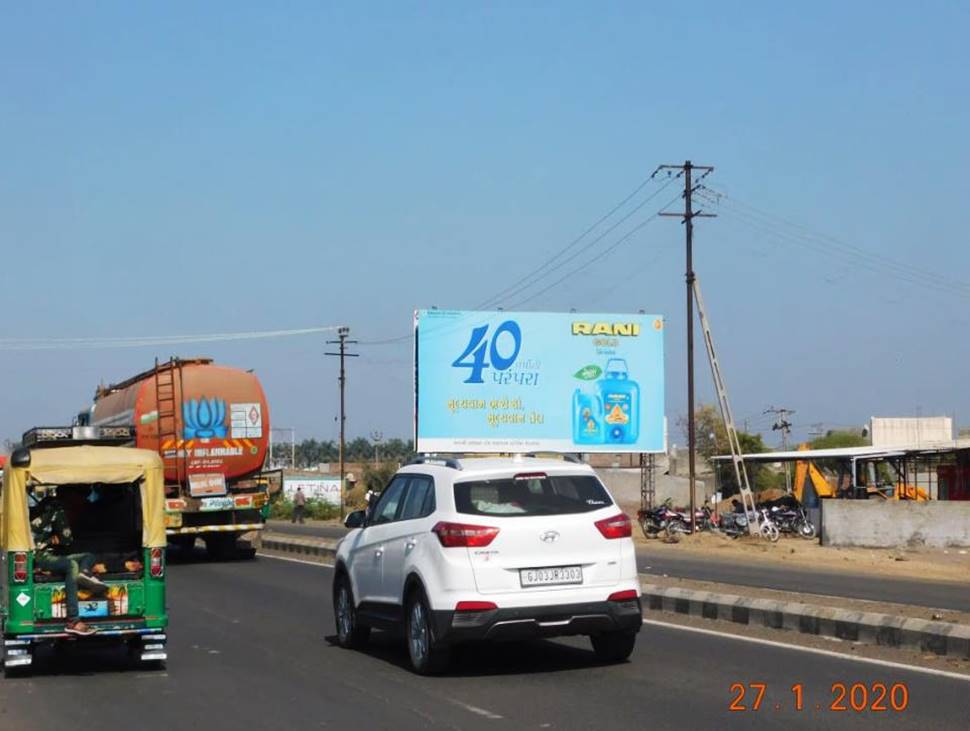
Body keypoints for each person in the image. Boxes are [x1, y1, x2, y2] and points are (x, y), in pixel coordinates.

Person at [30, 490, 108, 637]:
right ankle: (73, 621)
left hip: (49, 556)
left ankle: (84, 573)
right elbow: (67, 540)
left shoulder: (33, 517)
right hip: (43, 558)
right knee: (72, 564)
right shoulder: (57, 513)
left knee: (88, 556)